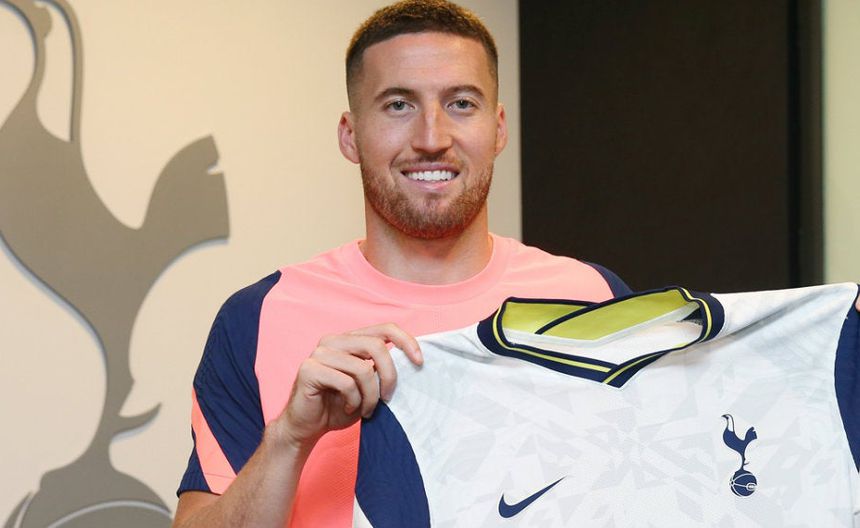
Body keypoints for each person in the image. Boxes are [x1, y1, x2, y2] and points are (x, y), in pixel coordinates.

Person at [171, 1, 860, 527]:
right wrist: (290, 439)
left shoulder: (590, 296)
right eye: (398, 105)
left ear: (498, 128)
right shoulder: (259, 318)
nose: (432, 137)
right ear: (351, 135)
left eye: (460, 104)